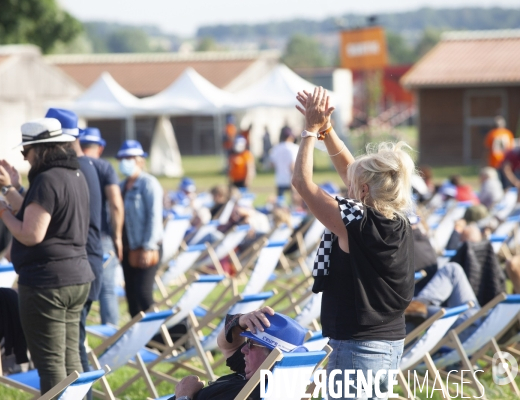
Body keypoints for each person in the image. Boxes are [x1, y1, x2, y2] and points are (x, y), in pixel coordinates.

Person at [291, 87, 414, 399]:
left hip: (360, 350)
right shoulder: (395, 219)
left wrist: (309, 131)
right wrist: (328, 131)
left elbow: (302, 184)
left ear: (362, 191)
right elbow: (355, 175)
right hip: (387, 342)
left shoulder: (358, 223)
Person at [0, 118, 93, 394]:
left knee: (51, 363)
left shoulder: (46, 178)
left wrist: (2, 212)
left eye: (25, 152)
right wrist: (8, 189)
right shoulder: (74, 174)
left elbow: (31, 233)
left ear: (40, 149)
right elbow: (38, 211)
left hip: (47, 284)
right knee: (71, 359)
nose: (26, 160)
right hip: (76, 277)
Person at [45, 109, 103, 398]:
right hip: (89, 262)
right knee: (75, 346)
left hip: (80, 265)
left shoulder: (71, 169)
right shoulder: (86, 166)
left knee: (73, 348)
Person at [169, 307, 308, 400]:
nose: (244, 349)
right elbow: (229, 346)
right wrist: (239, 321)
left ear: (274, 357)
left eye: (252, 345)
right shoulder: (269, 379)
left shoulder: (251, 393)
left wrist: (183, 395)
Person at [80, 127, 124, 327]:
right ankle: (112, 337)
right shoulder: (104, 167)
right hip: (103, 235)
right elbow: (115, 204)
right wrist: (117, 236)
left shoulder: (74, 165)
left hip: (77, 236)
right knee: (106, 289)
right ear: (100, 147)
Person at [116, 140, 164, 317]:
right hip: (128, 249)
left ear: (140, 160)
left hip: (146, 247)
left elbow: (154, 217)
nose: (125, 161)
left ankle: (161, 337)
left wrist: (148, 246)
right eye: (122, 158)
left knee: (144, 295)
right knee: (131, 297)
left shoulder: (148, 184)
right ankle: (138, 340)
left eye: (129, 157)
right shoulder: (120, 187)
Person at [269, 127, 299, 197]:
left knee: (280, 201)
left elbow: (271, 164)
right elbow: (293, 165)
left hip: (279, 179)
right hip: (291, 179)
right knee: (294, 202)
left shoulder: (276, 148)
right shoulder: (294, 148)